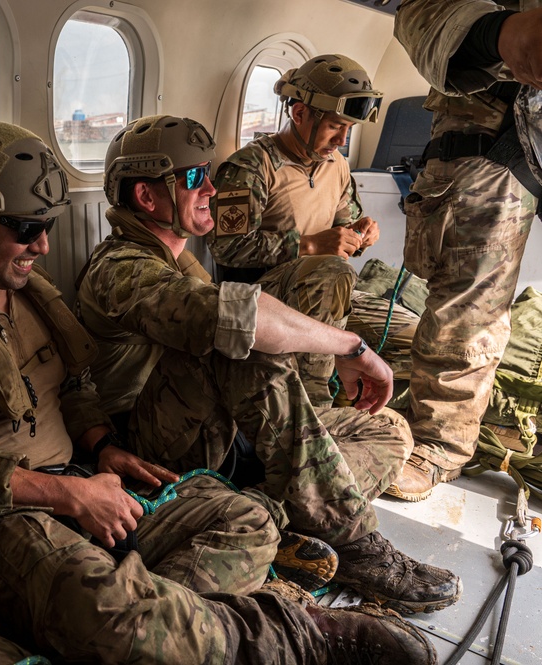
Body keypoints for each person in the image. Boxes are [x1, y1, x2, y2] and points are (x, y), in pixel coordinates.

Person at [0, 119, 439, 664]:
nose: (42, 248)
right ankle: (290, 638)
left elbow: (75, 386)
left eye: (47, 228)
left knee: (250, 521)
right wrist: (68, 498)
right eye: (26, 229)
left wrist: (103, 448)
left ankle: (161, 621)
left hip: (85, 482)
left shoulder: (29, 298)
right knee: (104, 606)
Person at [76, 113, 462, 616]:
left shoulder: (178, 258)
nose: (212, 188)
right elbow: (238, 318)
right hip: (151, 447)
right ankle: (350, 541)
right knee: (239, 342)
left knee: (388, 429)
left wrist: (331, 349)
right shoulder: (118, 268)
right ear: (147, 198)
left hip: (218, 427)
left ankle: (275, 517)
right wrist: (349, 347)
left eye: (208, 171)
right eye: (195, 178)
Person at [391, 0, 542, 500]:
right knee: (466, 306)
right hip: (491, 144)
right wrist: (501, 35)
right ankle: (439, 442)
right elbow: (417, 14)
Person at [209, 53, 420, 408]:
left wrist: (361, 233)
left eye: (349, 130)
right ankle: (315, 408)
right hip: (265, 297)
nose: (342, 139)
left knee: (418, 342)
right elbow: (227, 249)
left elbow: (344, 226)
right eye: (335, 126)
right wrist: (307, 245)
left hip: (328, 290)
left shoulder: (335, 164)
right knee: (331, 270)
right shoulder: (251, 166)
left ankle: (353, 393)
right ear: (300, 114)